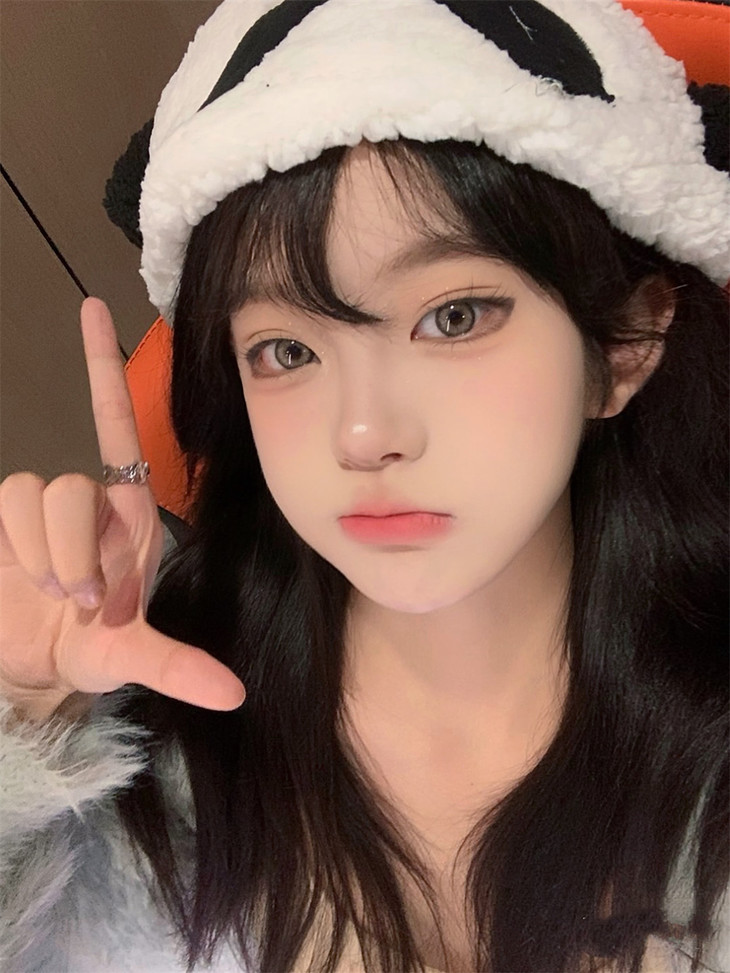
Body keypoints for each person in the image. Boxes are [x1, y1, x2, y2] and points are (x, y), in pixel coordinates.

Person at [0, 1, 727, 971]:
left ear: (625, 343)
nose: (363, 434)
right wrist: (23, 718)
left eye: (454, 316)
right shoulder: (145, 707)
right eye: (287, 349)